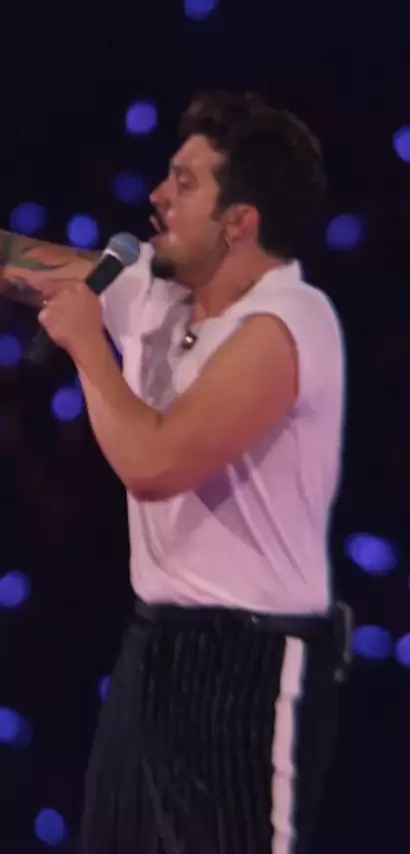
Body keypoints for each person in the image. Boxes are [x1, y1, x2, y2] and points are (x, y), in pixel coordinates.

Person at [0, 91, 347, 854]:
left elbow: (154, 464)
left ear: (239, 221)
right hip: (152, 645)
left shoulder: (287, 323)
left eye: (184, 182)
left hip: (249, 664)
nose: (156, 195)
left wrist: (89, 349)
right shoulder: (153, 291)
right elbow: (13, 263)